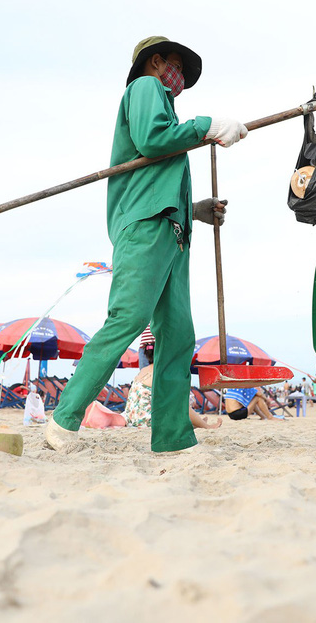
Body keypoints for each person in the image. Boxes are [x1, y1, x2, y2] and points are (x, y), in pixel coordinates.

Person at [44, 36, 246, 453]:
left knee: (178, 335)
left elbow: (156, 179)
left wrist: (199, 209)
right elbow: (154, 139)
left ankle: (172, 436)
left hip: (171, 229)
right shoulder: (144, 88)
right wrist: (205, 125)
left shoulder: (168, 113)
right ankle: (64, 419)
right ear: (156, 62)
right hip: (146, 228)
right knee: (128, 318)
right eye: (176, 67)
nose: (181, 80)